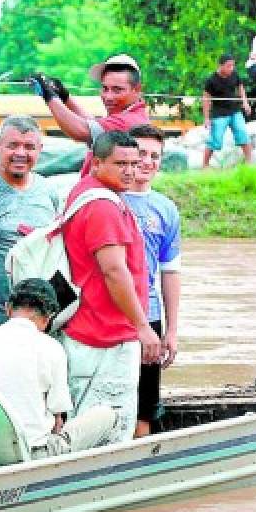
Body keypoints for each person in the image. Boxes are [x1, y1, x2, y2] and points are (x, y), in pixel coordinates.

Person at [59, 131, 162, 442]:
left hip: (91, 331)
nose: (130, 170)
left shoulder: (90, 194)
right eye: (120, 163)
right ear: (96, 163)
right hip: (104, 336)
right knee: (107, 431)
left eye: (135, 162)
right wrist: (142, 327)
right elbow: (114, 271)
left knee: (85, 426)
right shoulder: (103, 207)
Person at [0, 279, 117, 458]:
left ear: (7, 308)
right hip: (33, 453)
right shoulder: (52, 347)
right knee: (107, 415)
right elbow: (59, 419)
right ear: (49, 318)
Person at [0, 115, 62, 328]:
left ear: (40, 149)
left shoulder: (48, 191)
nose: (20, 153)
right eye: (13, 146)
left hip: (39, 319)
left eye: (29, 147)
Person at [123, 125, 182, 436]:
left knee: (145, 406)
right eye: (140, 154)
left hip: (151, 316)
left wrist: (171, 330)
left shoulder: (166, 209)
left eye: (154, 156)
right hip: (109, 319)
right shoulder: (107, 198)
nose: (146, 162)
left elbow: (170, 272)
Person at [31, 53, 151, 177]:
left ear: (136, 89)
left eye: (117, 90)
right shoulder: (129, 115)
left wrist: (49, 96)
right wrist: (64, 96)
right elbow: (93, 125)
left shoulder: (130, 121)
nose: (108, 97)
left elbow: (81, 130)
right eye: (105, 89)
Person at [202, 54, 254, 168]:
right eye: (228, 66)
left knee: (242, 134)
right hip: (219, 114)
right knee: (215, 140)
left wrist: (245, 102)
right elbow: (206, 100)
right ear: (220, 66)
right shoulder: (211, 80)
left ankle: (249, 163)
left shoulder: (234, 74)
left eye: (232, 65)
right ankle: (205, 165)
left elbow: (240, 87)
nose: (231, 68)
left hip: (235, 111)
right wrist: (206, 118)